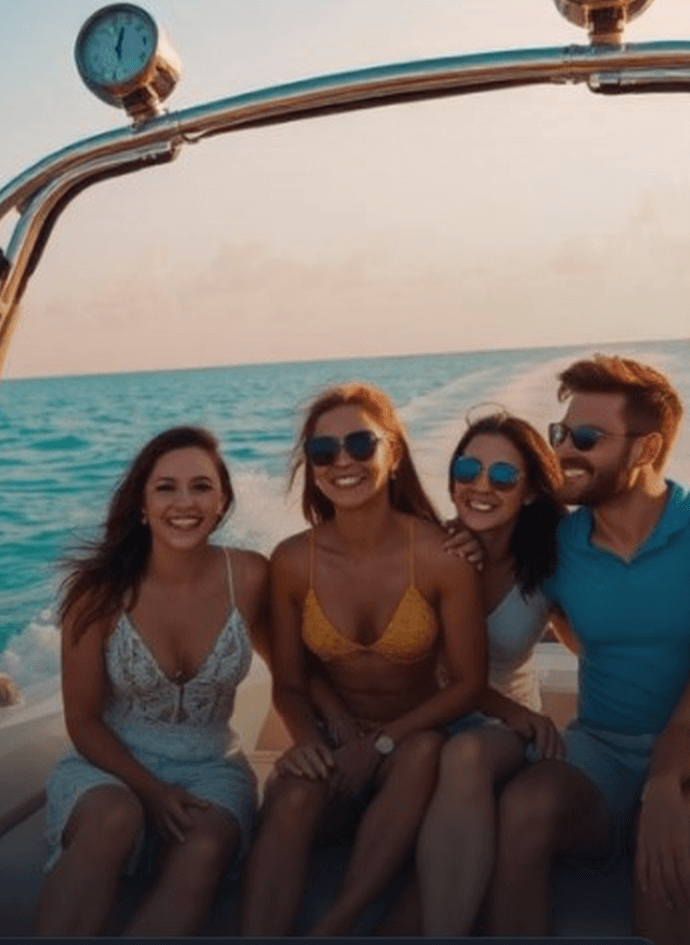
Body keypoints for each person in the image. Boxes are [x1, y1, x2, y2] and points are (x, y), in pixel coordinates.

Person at [239, 382, 487, 935]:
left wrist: (379, 744)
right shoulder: (293, 561)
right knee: (294, 792)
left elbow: (467, 686)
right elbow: (290, 683)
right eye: (324, 452)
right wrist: (308, 742)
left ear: (393, 453)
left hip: (412, 740)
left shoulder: (441, 556)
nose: (342, 462)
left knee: (423, 752)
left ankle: (337, 926)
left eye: (360, 444)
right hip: (333, 736)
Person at [485, 355, 690, 945]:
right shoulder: (557, 542)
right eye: (560, 434)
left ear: (646, 450)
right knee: (523, 809)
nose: (563, 451)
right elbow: (500, 578)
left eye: (586, 438)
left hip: (686, 753)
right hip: (599, 748)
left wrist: (666, 782)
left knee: (663, 901)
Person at [34, 426, 268, 936]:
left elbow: (297, 674)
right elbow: (83, 720)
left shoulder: (251, 578)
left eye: (201, 486)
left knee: (204, 844)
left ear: (222, 500)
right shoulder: (97, 595)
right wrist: (153, 792)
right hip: (111, 761)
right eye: (166, 487)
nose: (184, 501)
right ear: (141, 503)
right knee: (115, 817)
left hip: (212, 765)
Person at [413, 411, 572, 934]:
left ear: (529, 492)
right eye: (468, 469)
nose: (481, 486)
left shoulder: (550, 564)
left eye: (503, 476)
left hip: (507, 730)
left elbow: (595, 645)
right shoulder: (432, 549)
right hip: (429, 721)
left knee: (465, 754)